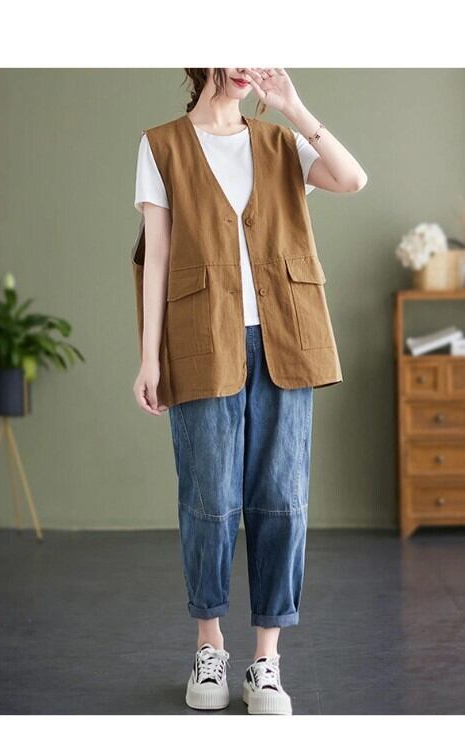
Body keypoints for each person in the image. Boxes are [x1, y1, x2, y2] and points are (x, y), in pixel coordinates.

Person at [132, 68, 367, 715]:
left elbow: (351, 179)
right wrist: (148, 357)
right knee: (208, 500)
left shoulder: (281, 142)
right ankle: (209, 646)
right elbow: (157, 256)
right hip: (201, 337)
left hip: (286, 336)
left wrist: (293, 106)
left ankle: (266, 660)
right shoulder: (161, 145)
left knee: (282, 501)